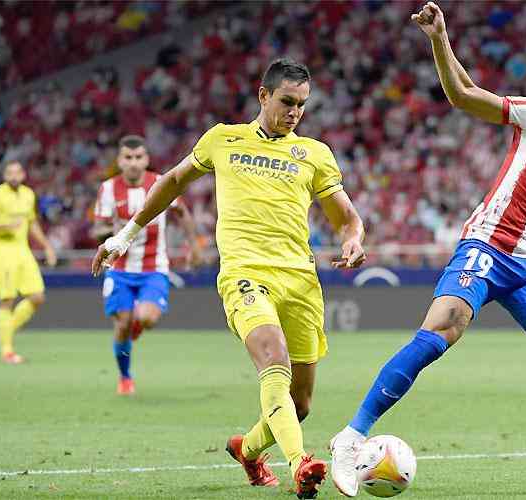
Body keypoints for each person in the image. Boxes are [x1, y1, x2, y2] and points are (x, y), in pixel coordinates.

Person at [330, 3, 526, 496]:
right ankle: (350, 437)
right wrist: (439, 38)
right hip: (487, 244)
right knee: (441, 331)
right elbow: (464, 95)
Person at [92, 59, 366, 499]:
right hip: (244, 274)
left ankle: (249, 449)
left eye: (302, 104)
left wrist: (353, 239)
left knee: (300, 404)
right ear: (263, 96)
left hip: (301, 280)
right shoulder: (224, 138)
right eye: (286, 101)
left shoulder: (314, 153)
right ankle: (300, 464)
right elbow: (172, 181)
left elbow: (347, 219)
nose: (295, 112)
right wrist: (124, 237)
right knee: (273, 357)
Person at [93, 135, 202, 396]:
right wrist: (113, 230)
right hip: (119, 270)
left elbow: (181, 212)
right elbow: (98, 229)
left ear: (147, 159)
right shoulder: (108, 189)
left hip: (154, 267)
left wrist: (194, 245)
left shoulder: (159, 182)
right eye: (128, 158)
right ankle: (125, 376)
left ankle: (134, 331)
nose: (133, 163)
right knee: (122, 323)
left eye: (138, 157)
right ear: (119, 161)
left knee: (147, 317)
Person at [0, 161, 57, 364]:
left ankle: (6, 330)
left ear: (22, 175)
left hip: (23, 251)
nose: (13, 176)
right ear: (4, 175)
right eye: (9, 172)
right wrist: (5, 224)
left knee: (38, 297)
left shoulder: (28, 194)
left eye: (17, 172)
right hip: (3, 251)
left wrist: (47, 246)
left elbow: (32, 224)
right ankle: (7, 351)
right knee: (7, 300)